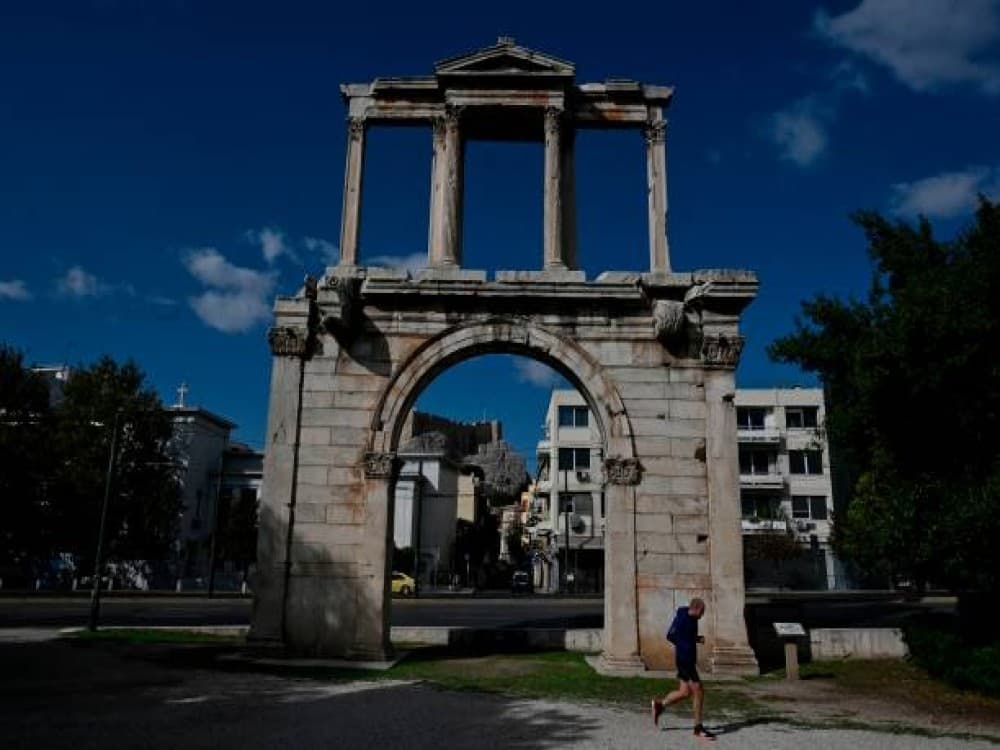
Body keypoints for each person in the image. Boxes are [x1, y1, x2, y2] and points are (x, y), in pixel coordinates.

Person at [651, 597, 716, 741]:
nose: (703, 615)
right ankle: (698, 728)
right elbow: (673, 635)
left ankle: (659, 705)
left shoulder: (686, 614)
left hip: (684, 659)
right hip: (685, 660)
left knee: (685, 692)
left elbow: (677, 635)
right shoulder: (684, 620)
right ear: (698, 609)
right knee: (698, 691)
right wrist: (684, 645)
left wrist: (695, 639)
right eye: (703, 612)